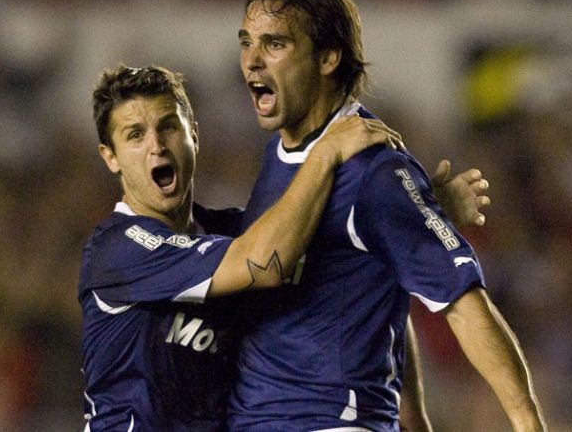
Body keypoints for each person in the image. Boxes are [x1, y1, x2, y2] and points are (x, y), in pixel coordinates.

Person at [228, 0, 547, 432]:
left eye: (275, 44)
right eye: (247, 42)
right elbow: (385, 283)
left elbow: (463, 304)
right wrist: (412, 417)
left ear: (327, 57)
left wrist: (527, 423)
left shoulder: (373, 170)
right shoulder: (284, 149)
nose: (253, 59)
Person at [78, 64, 406, 431]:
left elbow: (351, 255)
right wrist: (325, 154)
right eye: (135, 135)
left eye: (168, 126)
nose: (156, 146)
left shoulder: (233, 231)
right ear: (111, 157)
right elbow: (263, 263)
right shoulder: (119, 249)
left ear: (194, 136)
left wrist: (416, 209)